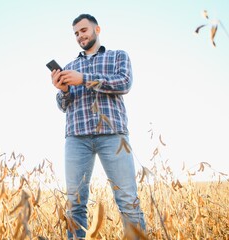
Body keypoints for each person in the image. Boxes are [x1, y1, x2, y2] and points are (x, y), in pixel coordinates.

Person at [50, 14, 146, 239]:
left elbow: (124, 83)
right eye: (75, 33)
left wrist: (83, 78)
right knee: (75, 204)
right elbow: (63, 106)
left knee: (127, 200)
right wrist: (62, 90)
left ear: (97, 29)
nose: (79, 36)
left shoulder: (117, 56)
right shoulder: (70, 66)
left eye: (83, 30)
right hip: (76, 138)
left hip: (113, 135)